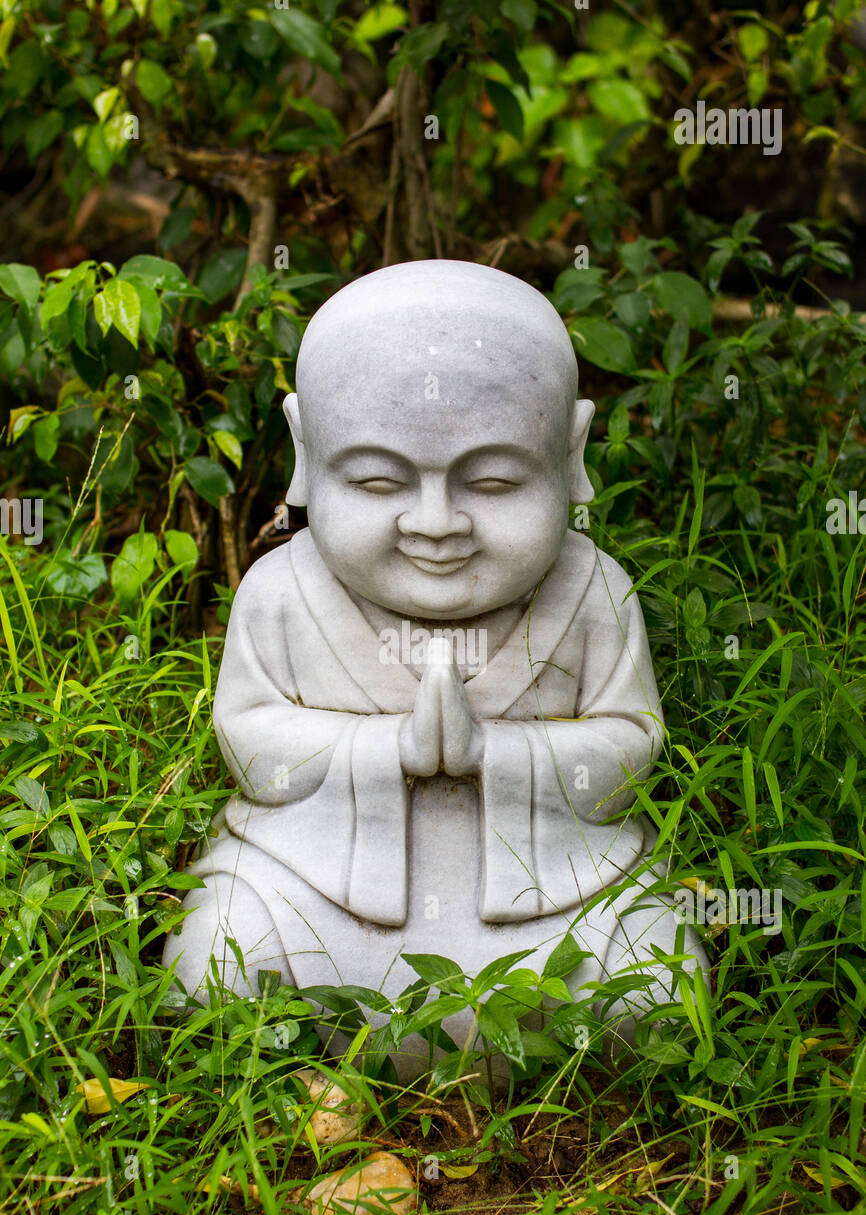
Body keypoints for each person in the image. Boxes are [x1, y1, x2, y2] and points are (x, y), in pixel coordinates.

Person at [163, 259, 707, 1074]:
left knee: (656, 987)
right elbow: (248, 741)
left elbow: (632, 745)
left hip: (559, 876)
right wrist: (389, 755)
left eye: (492, 481)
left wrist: (500, 756)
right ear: (307, 452)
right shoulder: (281, 590)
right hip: (313, 871)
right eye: (379, 480)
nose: (435, 523)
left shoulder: (592, 589)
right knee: (215, 963)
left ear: (571, 452)